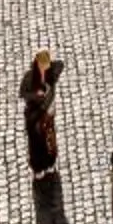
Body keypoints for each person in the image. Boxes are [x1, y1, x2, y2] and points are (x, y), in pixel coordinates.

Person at [20, 51, 65, 183]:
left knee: (49, 140)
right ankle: (38, 168)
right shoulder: (29, 77)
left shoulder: (51, 74)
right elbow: (23, 93)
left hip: (47, 112)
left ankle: (50, 163)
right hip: (34, 115)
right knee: (36, 143)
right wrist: (36, 95)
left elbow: (60, 65)